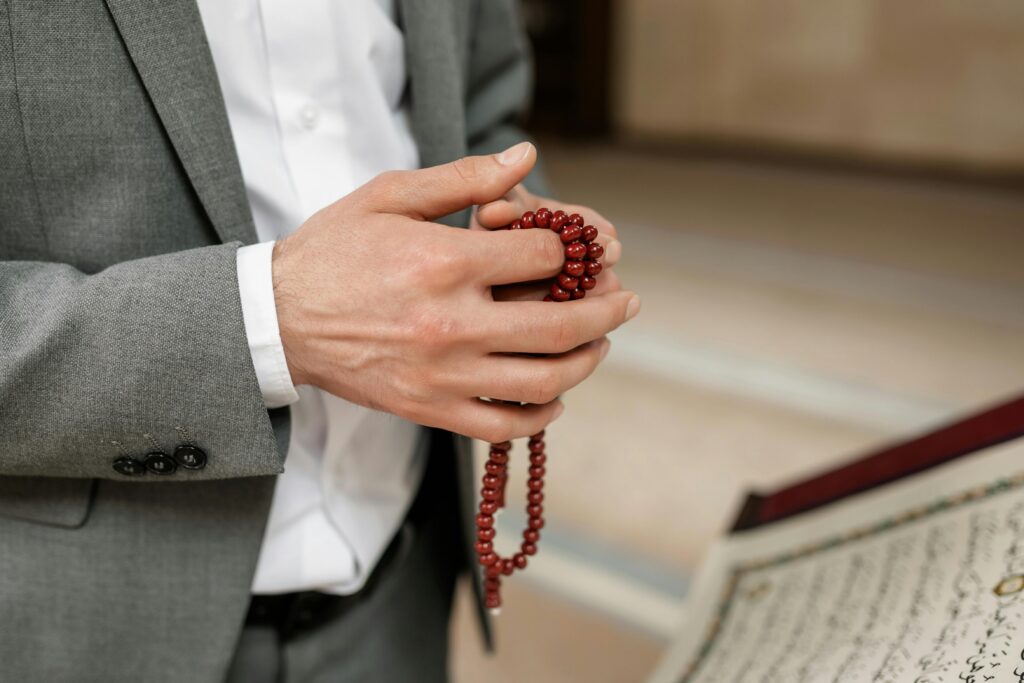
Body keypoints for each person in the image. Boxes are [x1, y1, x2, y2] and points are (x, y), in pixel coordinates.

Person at [0, 1, 639, 681]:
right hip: (78, 627)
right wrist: (272, 321)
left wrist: (519, 247)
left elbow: (482, 115)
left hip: (402, 594)